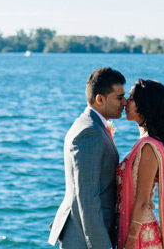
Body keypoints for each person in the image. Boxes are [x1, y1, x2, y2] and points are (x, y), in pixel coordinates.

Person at [50, 67, 128, 249]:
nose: (124, 102)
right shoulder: (89, 132)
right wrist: (101, 246)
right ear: (100, 99)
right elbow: (87, 197)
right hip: (84, 238)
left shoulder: (92, 126)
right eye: (119, 97)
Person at [117, 79, 164, 249]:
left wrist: (130, 244)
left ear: (145, 105)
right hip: (138, 229)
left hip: (141, 235)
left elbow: (142, 201)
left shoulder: (148, 147)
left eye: (131, 99)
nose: (125, 102)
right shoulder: (147, 142)